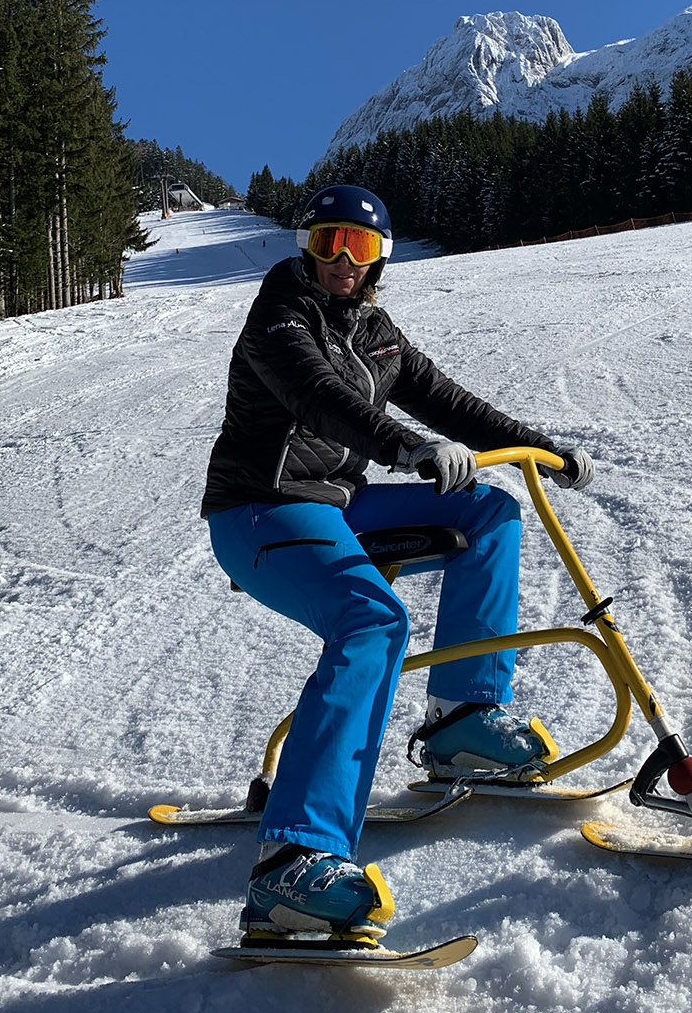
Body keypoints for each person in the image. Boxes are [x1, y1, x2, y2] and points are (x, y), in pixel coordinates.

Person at [199, 184, 596, 943]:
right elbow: (317, 397)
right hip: (259, 509)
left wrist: (541, 448)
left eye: (360, 246)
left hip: (338, 505)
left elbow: (447, 400)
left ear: (381, 255)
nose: (343, 261)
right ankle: (293, 862)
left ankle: (462, 722)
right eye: (328, 244)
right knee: (371, 622)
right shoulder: (280, 316)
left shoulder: (376, 331)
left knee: (487, 511)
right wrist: (404, 447)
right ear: (304, 248)